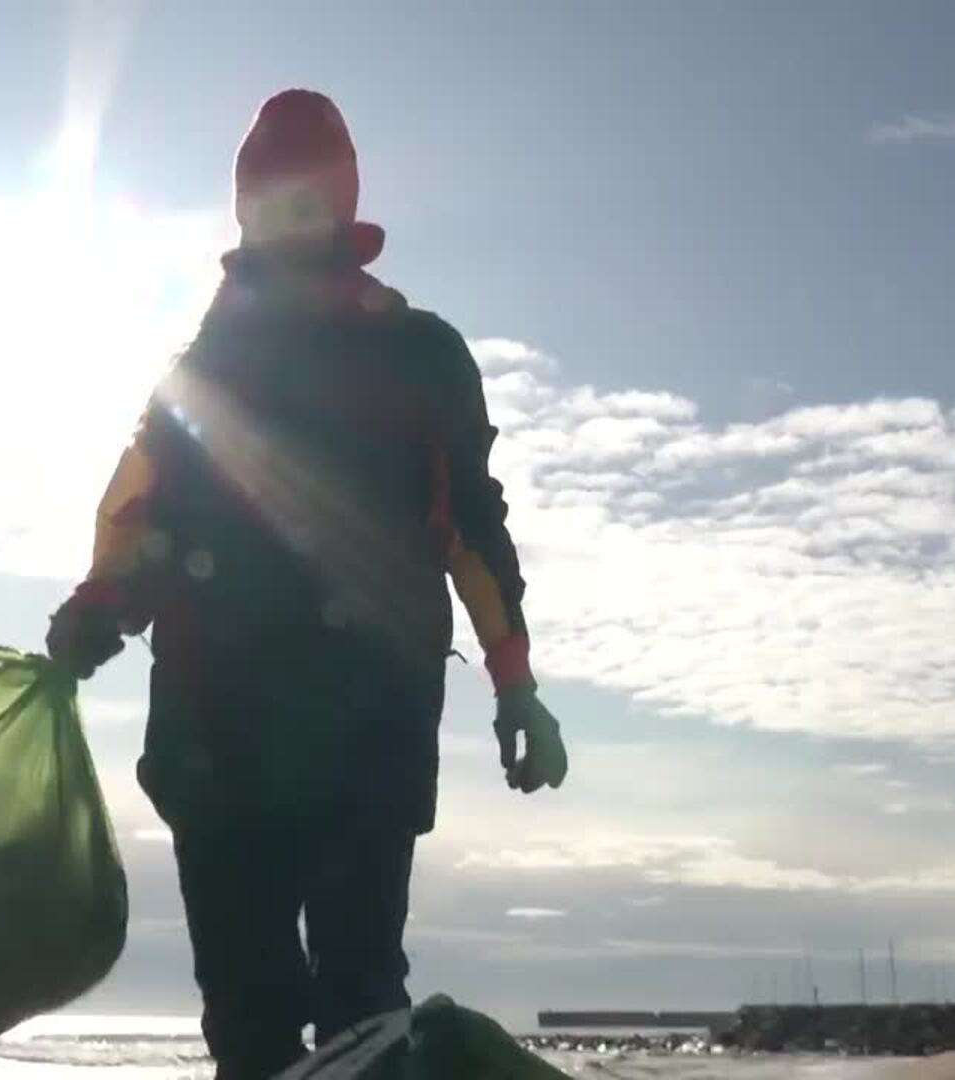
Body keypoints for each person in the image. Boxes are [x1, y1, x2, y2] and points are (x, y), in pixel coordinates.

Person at [45, 88, 568, 1079]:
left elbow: (473, 525)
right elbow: (143, 516)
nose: (285, 218)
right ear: (240, 215)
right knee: (245, 1011)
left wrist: (516, 681)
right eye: (266, 201)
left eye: (305, 198)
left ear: (342, 208)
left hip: (366, 733)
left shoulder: (421, 356)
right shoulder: (200, 369)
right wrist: (96, 609)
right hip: (214, 740)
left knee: (361, 999)